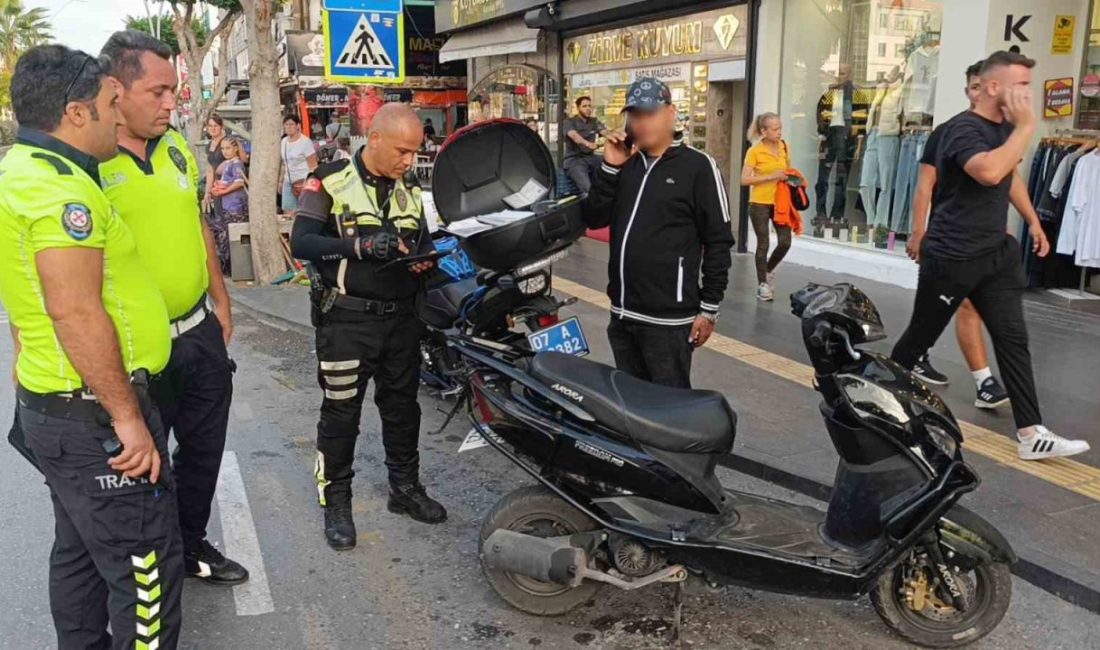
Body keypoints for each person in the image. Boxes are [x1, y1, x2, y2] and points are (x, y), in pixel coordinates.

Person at [0, 44, 183, 649]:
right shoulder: (61, 193)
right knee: (145, 572)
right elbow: (74, 309)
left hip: (58, 405)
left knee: (78, 553)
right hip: (94, 415)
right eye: (110, 102)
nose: (118, 114)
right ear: (77, 113)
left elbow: (27, 293)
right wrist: (127, 418)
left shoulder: (23, 170)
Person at [99, 31, 249, 585]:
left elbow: (198, 224)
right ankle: (153, 566)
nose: (171, 103)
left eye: (174, 91)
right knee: (148, 462)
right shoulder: (91, 163)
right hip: (137, 347)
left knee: (204, 451)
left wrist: (221, 300)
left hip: (199, 332)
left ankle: (189, 544)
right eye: (158, 92)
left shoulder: (178, 148)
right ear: (116, 90)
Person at [890, 51, 1090, 461]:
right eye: (1021, 85)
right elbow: (987, 171)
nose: (1028, 94)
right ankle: (879, 400)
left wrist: (1033, 221)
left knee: (1013, 339)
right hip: (953, 255)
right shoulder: (960, 130)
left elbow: (1009, 176)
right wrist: (1028, 126)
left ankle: (1031, 433)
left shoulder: (1005, 130)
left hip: (995, 254)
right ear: (993, 86)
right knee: (918, 339)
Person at [290, 103, 446, 550]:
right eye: (402, 151)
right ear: (374, 138)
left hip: (401, 320)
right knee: (341, 414)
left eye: (415, 153)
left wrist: (424, 261)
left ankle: (405, 488)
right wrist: (358, 246)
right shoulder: (329, 179)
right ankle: (336, 501)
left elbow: (421, 240)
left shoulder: (409, 186)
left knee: (403, 409)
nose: (409, 161)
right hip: (347, 321)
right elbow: (302, 242)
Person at [583, 78, 734, 389]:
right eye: (635, 115)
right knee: (630, 402)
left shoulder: (699, 167)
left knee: (669, 407)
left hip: (669, 323)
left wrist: (709, 309)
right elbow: (594, 219)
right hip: (622, 314)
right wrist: (610, 169)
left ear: (670, 113)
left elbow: (718, 241)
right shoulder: (624, 164)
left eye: (650, 113)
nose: (641, 122)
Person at [906, 60, 1010, 409]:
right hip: (947, 242)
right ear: (968, 91)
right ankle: (916, 359)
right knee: (941, 309)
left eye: (987, 86)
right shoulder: (948, 132)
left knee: (968, 305)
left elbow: (1008, 185)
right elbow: (925, 186)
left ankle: (984, 383)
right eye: (975, 87)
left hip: (983, 244)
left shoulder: (1003, 134)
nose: (981, 93)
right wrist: (918, 232)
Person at [742, 112, 792, 302]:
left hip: (780, 202)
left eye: (780, 128)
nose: (779, 132)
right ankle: (762, 285)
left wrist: (791, 178)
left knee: (785, 242)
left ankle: (768, 270)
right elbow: (744, 179)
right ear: (764, 131)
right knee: (763, 243)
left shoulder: (785, 146)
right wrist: (771, 176)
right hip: (759, 203)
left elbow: (787, 171)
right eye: (775, 129)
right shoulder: (755, 151)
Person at [814, 63, 863, 223]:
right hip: (829, 136)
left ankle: (837, 215)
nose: (839, 76)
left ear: (850, 75)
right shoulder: (829, 92)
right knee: (822, 178)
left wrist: (858, 145)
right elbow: (821, 113)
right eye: (838, 73)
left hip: (846, 137)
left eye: (842, 73)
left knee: (841, 180)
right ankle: (821, 213)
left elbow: (861, 120)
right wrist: (821, 137)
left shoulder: (857, 94)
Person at [210, 136, 250, 273]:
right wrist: (218, 185)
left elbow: (239, 182)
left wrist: (224, 191)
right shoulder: (228, 164)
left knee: (231, 237)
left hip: (236, 206)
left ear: (235, 149)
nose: (225, 151)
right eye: (222, 149)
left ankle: (231, 267)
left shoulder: (237, 164)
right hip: (227, 205)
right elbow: (224, 178)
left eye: (228, 148)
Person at [563, 95, 608, 195]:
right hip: (574, 160)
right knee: (587, 188)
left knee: (609, 163)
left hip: (591, 158)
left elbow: (604, 132)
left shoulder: (594, 121)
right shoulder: (569, 122)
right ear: (578, 108)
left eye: (589, 106)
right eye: (584, 106)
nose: (588, 109)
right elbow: (574, 136)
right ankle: (590, 199)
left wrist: (615, 135)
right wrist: (588, 144)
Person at [280, 114, 318, 213]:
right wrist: (280, 181)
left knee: (306, 211)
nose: (289, 127)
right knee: (288, 210)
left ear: (297, 126)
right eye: (286, 124)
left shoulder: (305, 142)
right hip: (288, 181)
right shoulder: (284, 141)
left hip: (304, 180)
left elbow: (313, 165)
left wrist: (311, 184)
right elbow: (284, 163)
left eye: (291, 124)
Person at [202, 113, 226, 216]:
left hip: (227, 185)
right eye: (210, 126)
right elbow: (209, 171)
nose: (213, 128)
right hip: (216, 187)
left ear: (221, 127)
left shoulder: (228, 141)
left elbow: (240, 160)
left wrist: (226, 163)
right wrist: (207, 192)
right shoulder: (208, 146)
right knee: (218, 216)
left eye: (216, 125)